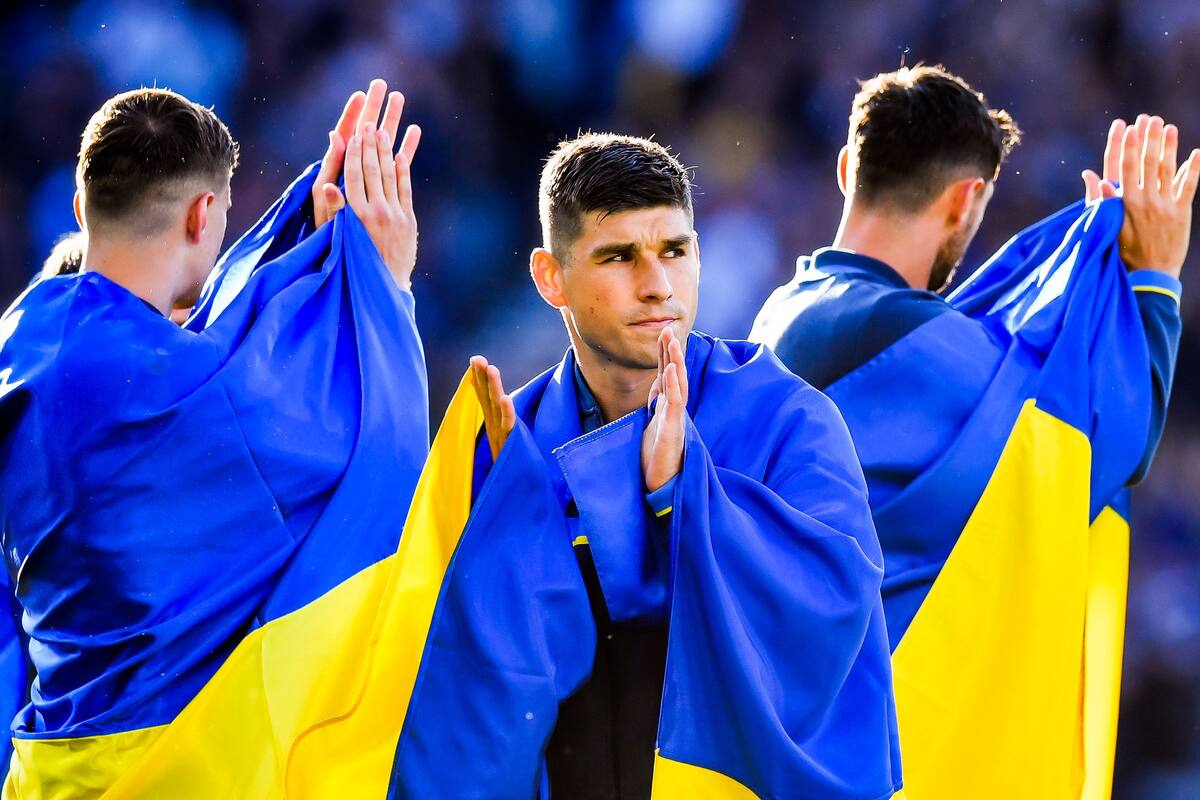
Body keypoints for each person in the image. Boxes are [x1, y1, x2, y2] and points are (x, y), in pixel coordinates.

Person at [384, 133, 902, 799]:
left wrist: (682, 495)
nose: (658, 286)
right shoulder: (509, 447)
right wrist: (382, 296)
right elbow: (447, 693)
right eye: (619, 256)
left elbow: (832, 613)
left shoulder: (787, 419)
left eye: (675, 251)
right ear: (551, 278)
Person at [750, 65, 1198, 798]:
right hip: (877, 757)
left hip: (789, 741)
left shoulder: (780, 315)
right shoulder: (899, 336)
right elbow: (1099, 445)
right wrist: (1150, 283)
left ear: (843, 171)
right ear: (968, 199)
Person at [0, 79, 430, 796]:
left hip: (47, 770)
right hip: (174, 769)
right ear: (205, 214)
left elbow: (200, 356)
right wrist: (381, 291)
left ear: (81, 209)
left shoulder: (21, 344)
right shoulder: (187, 393)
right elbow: (372, 452)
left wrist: (307, 249)